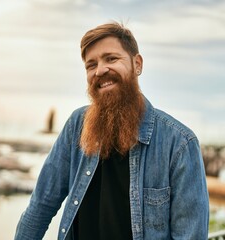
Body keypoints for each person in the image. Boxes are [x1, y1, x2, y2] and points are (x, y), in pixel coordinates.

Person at [15, 22, 209, 240]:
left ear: (137, 64)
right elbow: (40, 206)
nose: (100, 70)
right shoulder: (76, 126)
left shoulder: (179, 143)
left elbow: (190, 235)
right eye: (91, 65)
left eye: (111, 59)